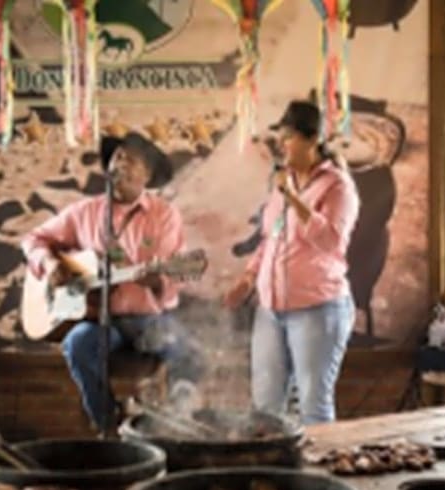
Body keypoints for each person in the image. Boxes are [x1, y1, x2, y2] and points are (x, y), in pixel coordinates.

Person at [22, 132, 201, 433]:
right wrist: (50, 263)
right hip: (102, 321)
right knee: (77, 344)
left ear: (147, 175)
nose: (121, 164)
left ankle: (170, 424)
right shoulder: (84, 213)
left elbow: (173, 279)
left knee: (190, 352)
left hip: (148, 319)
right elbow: (33, 239)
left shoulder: (164, 215)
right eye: (117, 157)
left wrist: (156, 279)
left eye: (131, 160)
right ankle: (108, 424)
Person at [223, 100, 360, 425]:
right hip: (270, 311)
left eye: (288, 138)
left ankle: (316, 473)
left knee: (313, 406)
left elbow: (331, 241)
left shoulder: (338, 187)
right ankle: (274, 473)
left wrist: (293, 199)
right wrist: (247, 280)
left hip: (317, 309)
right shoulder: (284, 184)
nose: (280, 146)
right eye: (280, 139)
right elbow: (270, 239)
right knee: (266, 407)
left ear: (312, 140)